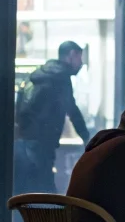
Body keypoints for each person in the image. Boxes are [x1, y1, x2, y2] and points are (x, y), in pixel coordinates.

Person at [14, 41, 91, 194]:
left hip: (25, 141)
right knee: (45, 189)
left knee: (27, 188)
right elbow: (72, 110)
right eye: (79, 57)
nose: (81, 63)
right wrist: (87, 137)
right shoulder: (60, 78)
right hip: (42, 143)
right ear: (71, 55)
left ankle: (23, 217)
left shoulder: (40, 74)